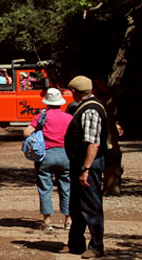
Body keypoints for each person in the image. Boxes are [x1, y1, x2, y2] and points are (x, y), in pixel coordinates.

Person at [60, 76, 108, 258]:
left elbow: (92, 143)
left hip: (88, 164)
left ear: (74, 92)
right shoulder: (90, 106)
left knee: (91, 204)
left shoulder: (90, 110)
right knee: (76, 204)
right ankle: (75, 243)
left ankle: (96, 245)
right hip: (80, 163)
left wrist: (86, 169)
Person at [23, 88, 73, 231]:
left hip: (46, 156)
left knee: (45, 188)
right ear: (60, 103)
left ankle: (47, 222)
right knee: (66, 187)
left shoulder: (42, 116)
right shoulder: (68, 117)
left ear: (47, 103)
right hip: (65, 156)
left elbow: (26, 132)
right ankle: (68, 221)